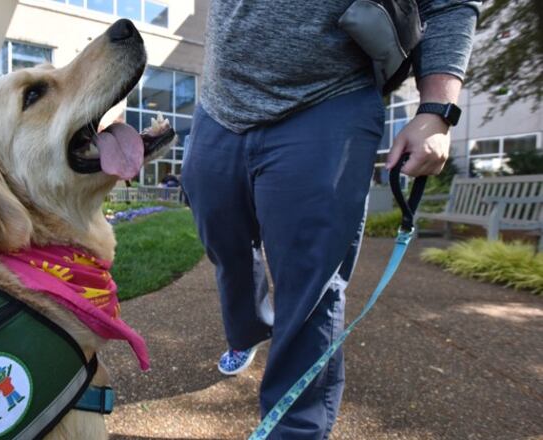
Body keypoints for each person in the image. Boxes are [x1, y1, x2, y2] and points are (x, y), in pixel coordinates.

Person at [181, 1, 480, 438]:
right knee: (224, 243)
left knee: (309, 282)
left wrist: (437, 109)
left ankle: (294, 429)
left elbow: (447, 4)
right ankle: (248, 330)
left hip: (326, 99)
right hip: (219, 104)